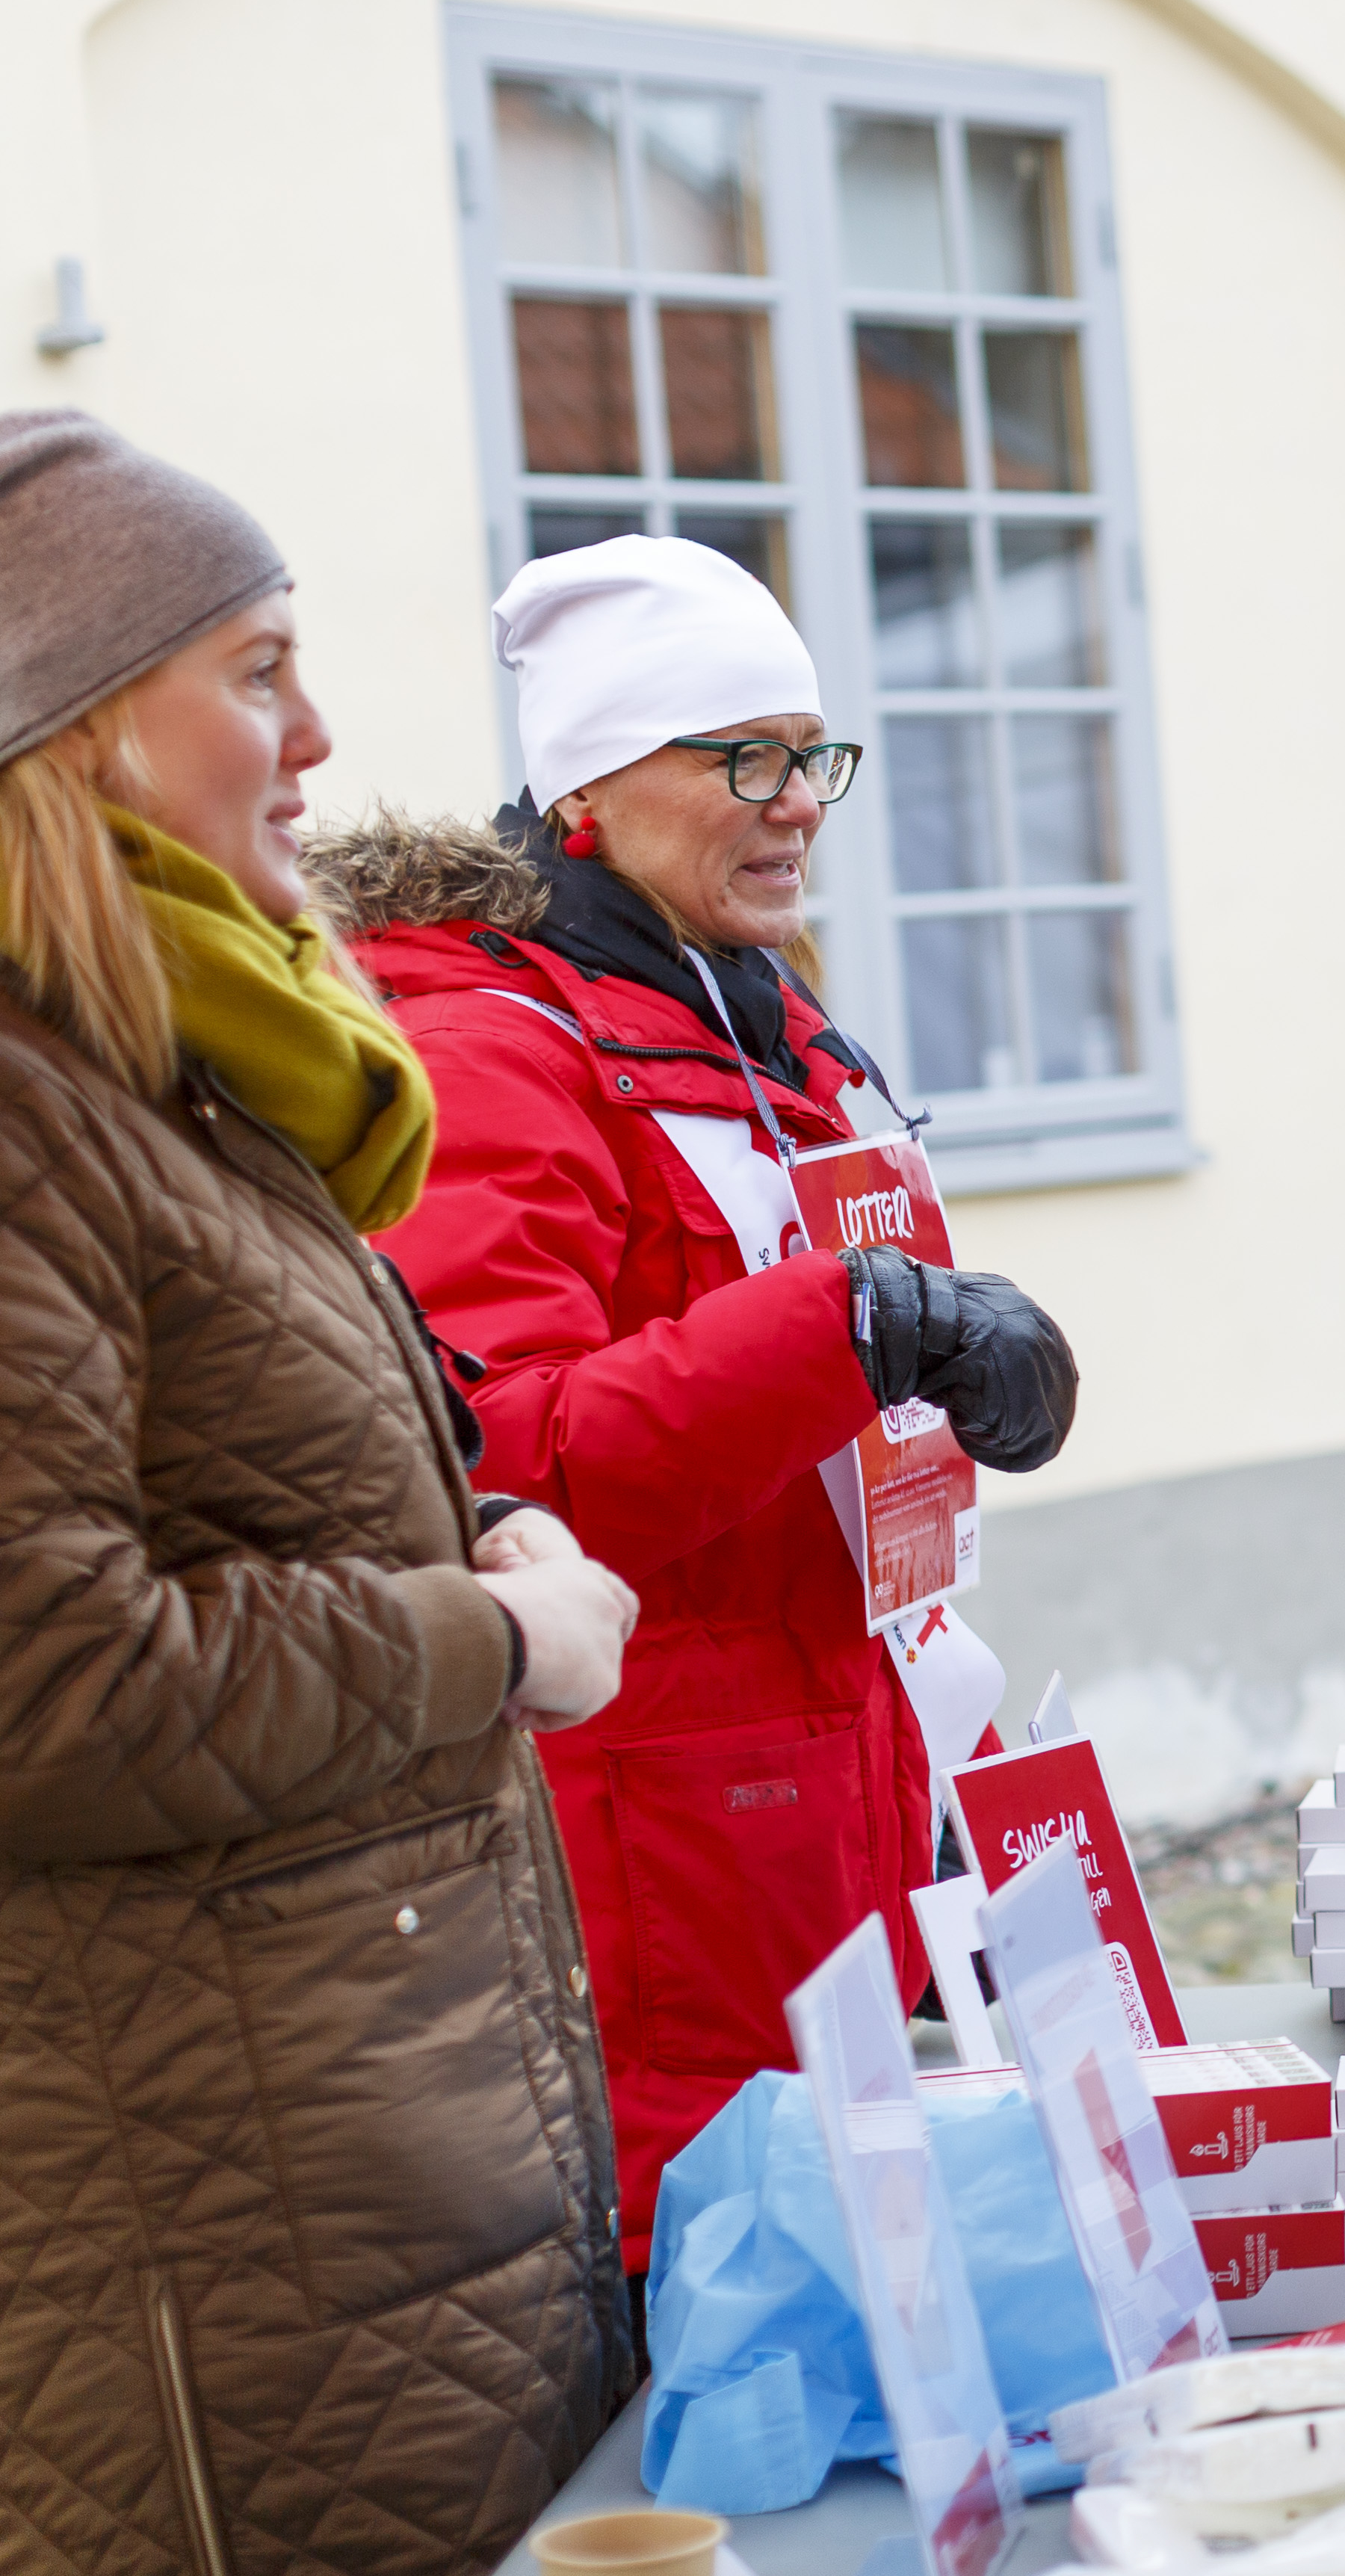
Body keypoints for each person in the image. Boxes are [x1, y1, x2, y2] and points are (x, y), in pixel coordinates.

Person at [0, 412, 637, 2571]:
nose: (322, 735)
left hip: (360, 2194)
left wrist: (462, 1542)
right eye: (258, 668)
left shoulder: (179, 1070)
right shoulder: (29, 1112)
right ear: (79, 726)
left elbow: (219, 1523)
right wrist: (491, 1640)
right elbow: (49, 1679)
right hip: (214, 2258)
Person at [322, 534, 1078, 2281]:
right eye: (737, 755)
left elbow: (834, 1394)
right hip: (657, 1844)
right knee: (716, 2332)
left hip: (842, 1793)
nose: (795, 800)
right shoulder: (492, 1039)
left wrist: (957, 1360)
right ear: (588, 780)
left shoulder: (760, 1016)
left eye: (811, 753)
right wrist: (860, 1320)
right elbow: (501, 1456)